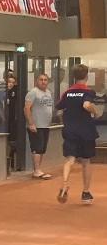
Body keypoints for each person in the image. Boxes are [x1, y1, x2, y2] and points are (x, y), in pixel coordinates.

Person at [55, 63, 100, 204]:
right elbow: (86, 105)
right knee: (86, 161)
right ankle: (86, 193)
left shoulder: (67, 92)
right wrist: (95, 112)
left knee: (69, 159)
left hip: (70, 130)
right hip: (86, 131)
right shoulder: (88, 92)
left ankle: (64, 185)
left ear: (74, 77)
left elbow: (58, 106)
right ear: (86, 76)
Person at [24, 72, 55, 179]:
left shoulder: (48, 92)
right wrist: (31, 123)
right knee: (37, 148)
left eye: (45, 80)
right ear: (36, 81)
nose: (43, 82)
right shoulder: (33, 93)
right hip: (36, 125)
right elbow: (26, 108)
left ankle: (38, 169)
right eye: (41, 80)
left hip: (45, 125)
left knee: (42, 149)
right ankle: (36, 171)